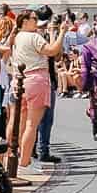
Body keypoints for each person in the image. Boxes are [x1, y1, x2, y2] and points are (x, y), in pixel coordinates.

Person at [7, 12, 60, 173]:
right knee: (31, 124)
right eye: (34, 19)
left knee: (17, 123)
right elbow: (52, 51)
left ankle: (10, 158)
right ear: (24, 21)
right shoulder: (33, 36)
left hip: (19, 80)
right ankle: (23, 162)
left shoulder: (17, 37)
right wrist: (60, 33)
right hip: (36, 79)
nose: (36, 22)